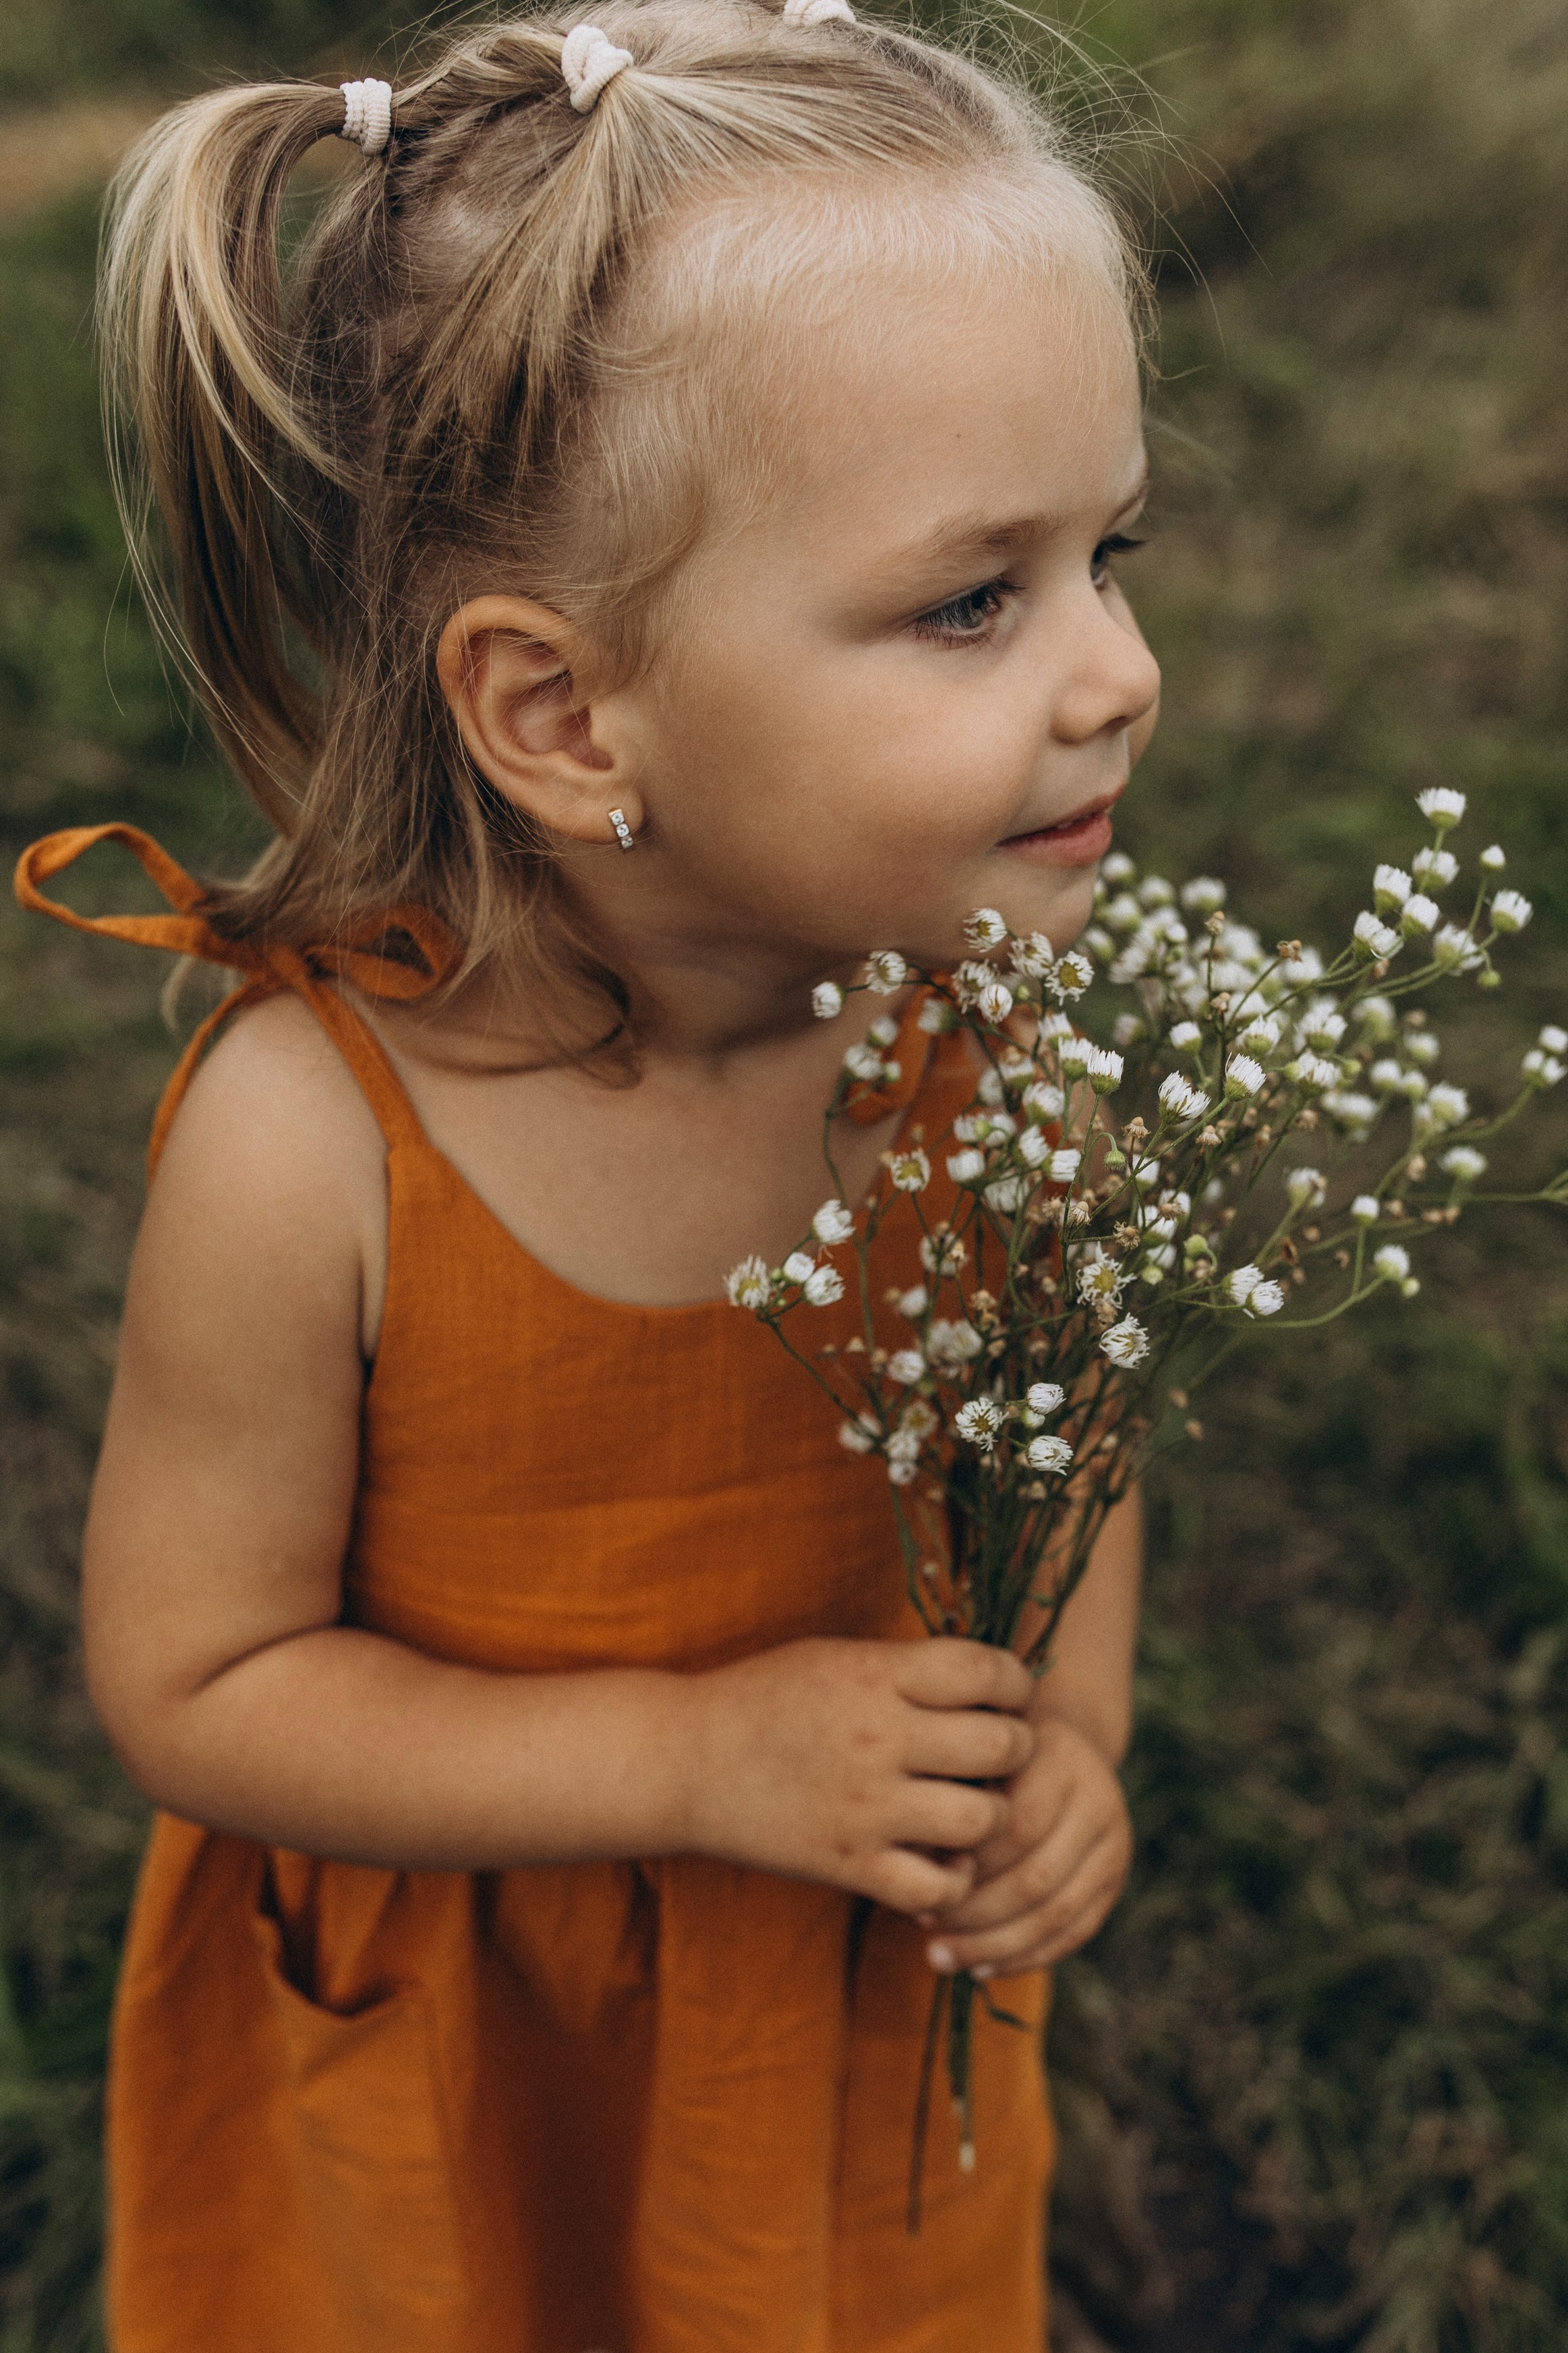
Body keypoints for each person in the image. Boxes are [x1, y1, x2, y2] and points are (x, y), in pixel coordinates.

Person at [16, 3, 1158, 2346]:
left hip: (837, 2023)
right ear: (563, 715)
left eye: (1111, 553)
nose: (1119, 672)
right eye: (975, 600)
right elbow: (197, 1679)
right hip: (449, 2075)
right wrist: (694, 1755)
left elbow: (1082, 1443)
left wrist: (1072, 1749)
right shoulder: (316, 1142)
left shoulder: (1004, 1067)